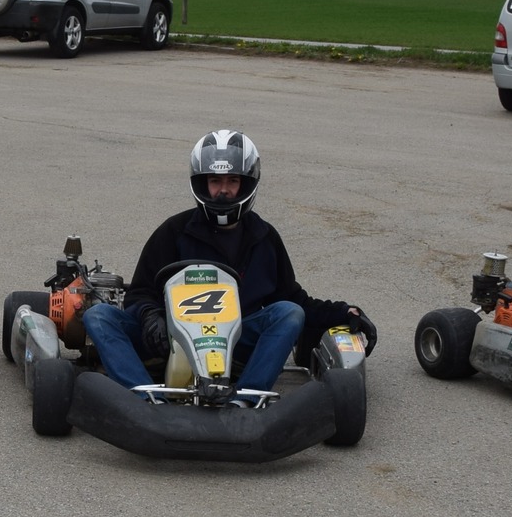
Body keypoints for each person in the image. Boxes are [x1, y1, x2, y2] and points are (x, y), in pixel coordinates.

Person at [82, 129, 375, 393]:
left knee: (289, 312)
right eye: (215, 181)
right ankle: (141, 397)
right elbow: (141, 293)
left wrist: (343, 312)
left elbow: (293, 299)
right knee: (98, 316)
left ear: (247, 184)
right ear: (202, 183)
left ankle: (247, 397)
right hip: (172, 339)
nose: (223, 190)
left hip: (236, 341)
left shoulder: (264, 237)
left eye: (233, 181)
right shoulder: (174, 231)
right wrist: (151, 317)